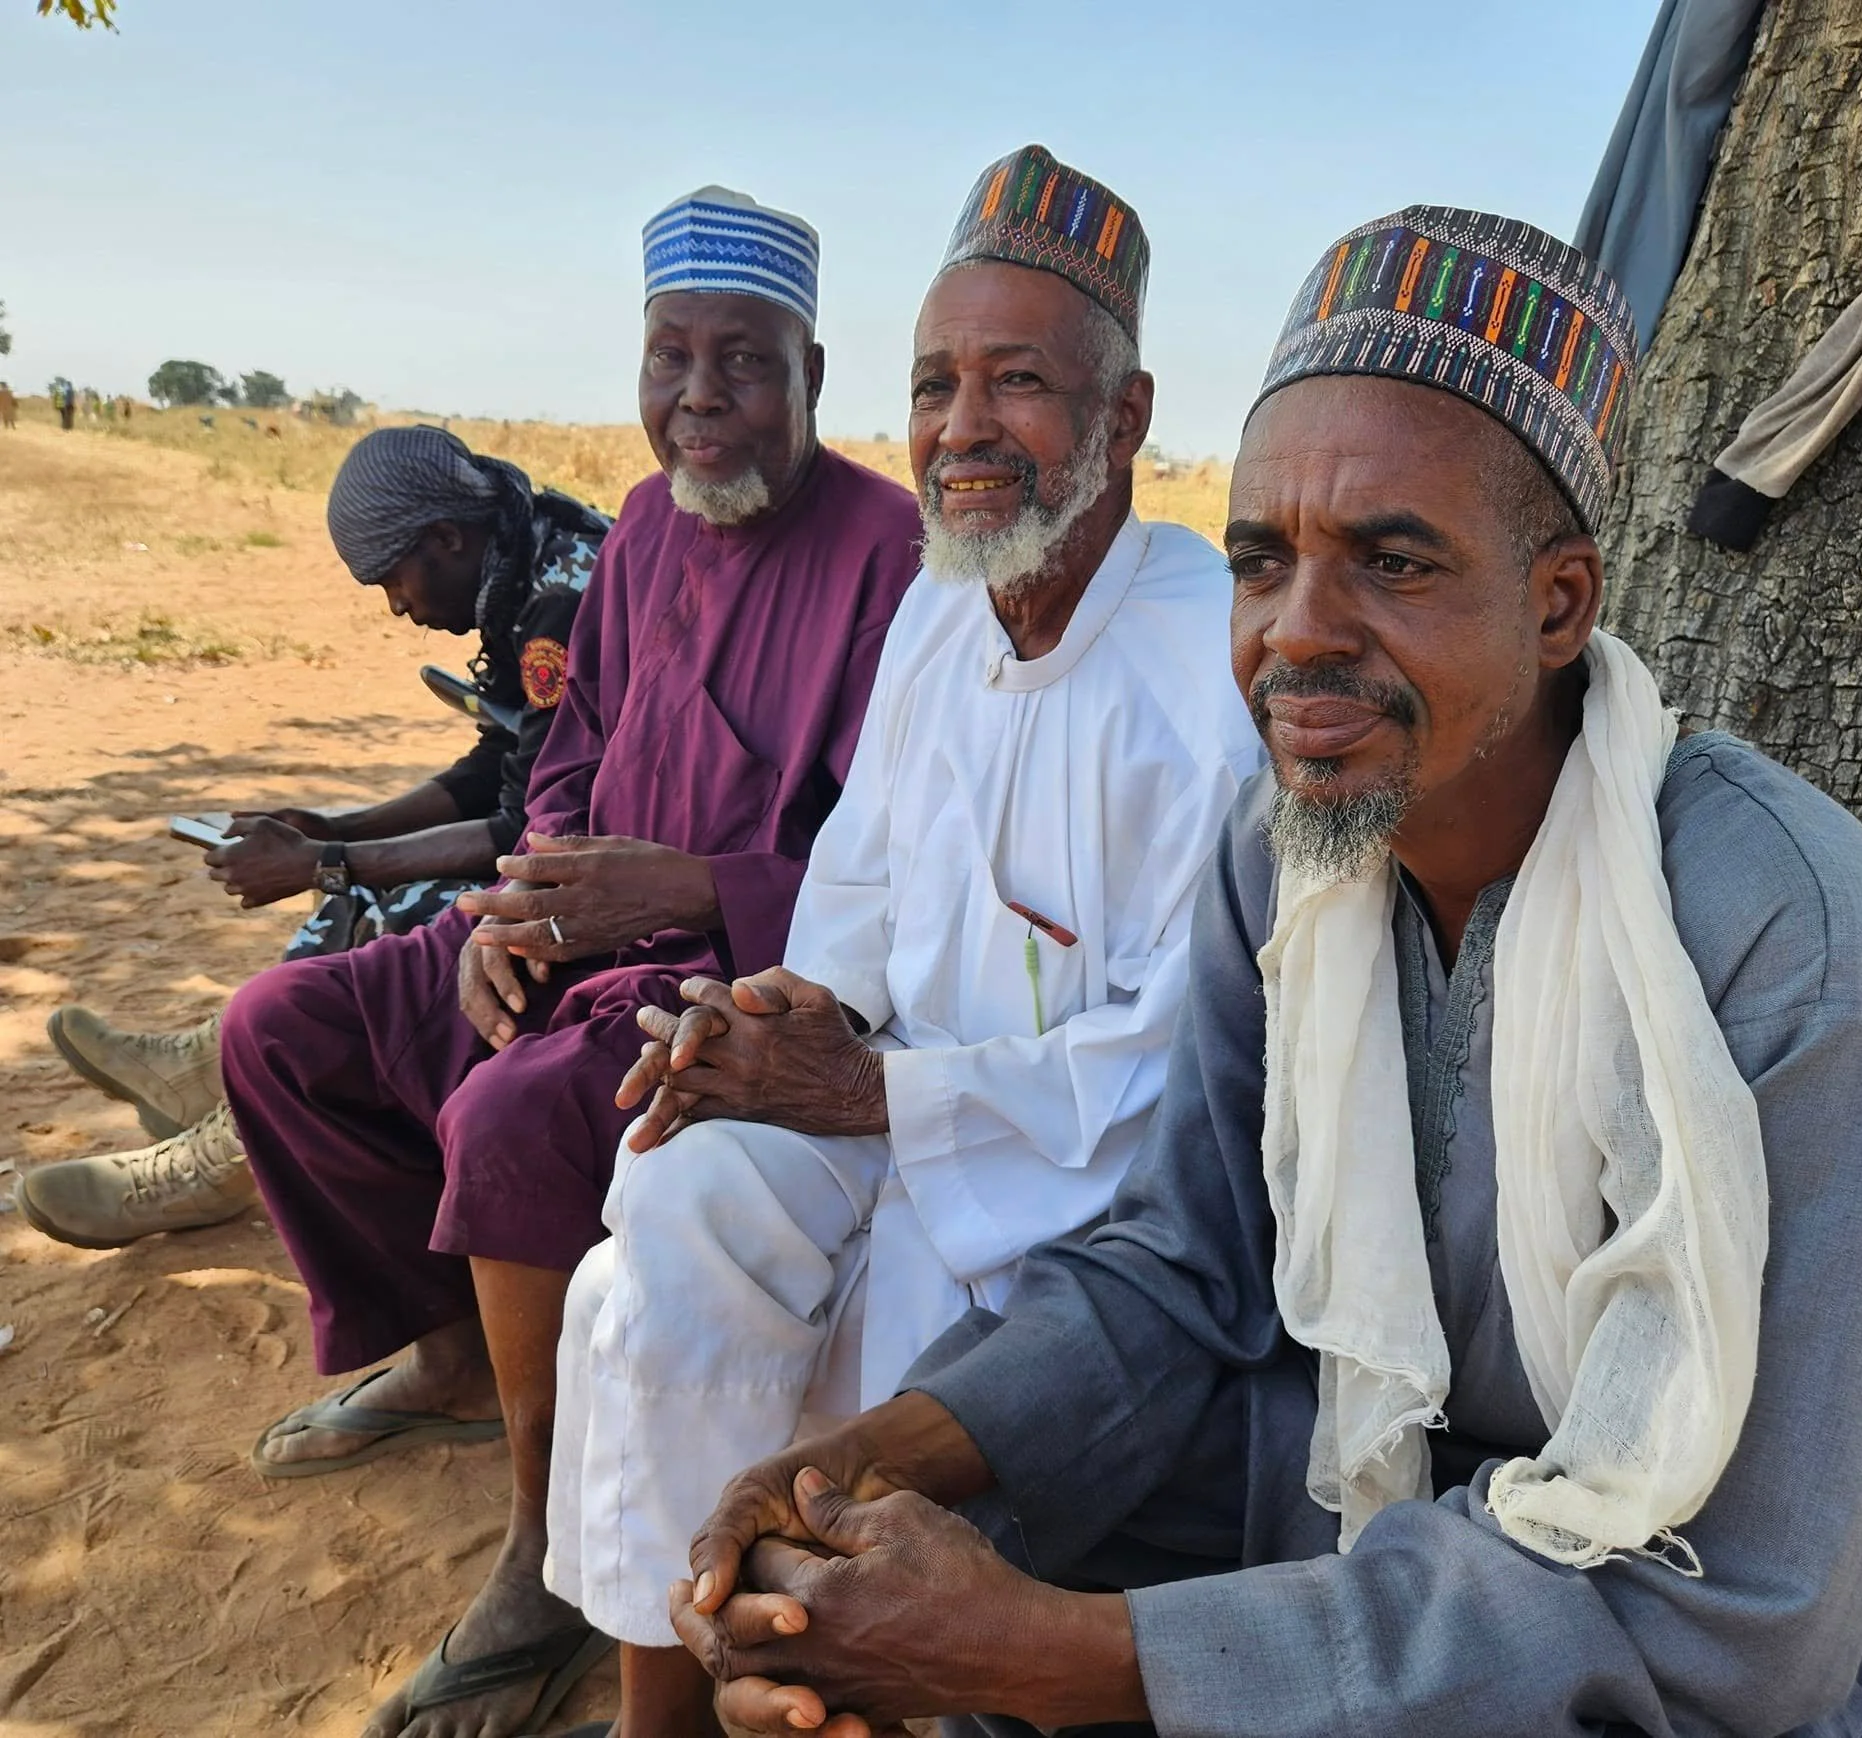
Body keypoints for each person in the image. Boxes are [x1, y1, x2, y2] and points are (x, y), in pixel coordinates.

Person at [669, 210, 1862, 1738]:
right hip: (1381, 1493)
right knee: (957, 1551)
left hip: (1829, 1652)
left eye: (1393, 561)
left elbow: (1747, 1609)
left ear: (1559, 605)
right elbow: (1182, 1269)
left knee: (1033, 1642)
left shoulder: (1781, 935)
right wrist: (860, 1470)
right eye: (1262, 561)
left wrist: (1052, 1655)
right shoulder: (1284, 851)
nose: (1295, 637)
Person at [542, 145, 1264, 1738]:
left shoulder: (1202, 682)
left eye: (1018, 384)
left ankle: (812, 1669)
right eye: (935, 383)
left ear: (1125, 420)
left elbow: (1175, 1075)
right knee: (674, 1193)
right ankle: (671, 1676)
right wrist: (762, 1023)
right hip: (894, 1103)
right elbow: (858, 890)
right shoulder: (942, 604)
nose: (959, 429)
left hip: (1071, 1195)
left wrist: (877, 1099)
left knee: (920, 1329)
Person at [232, 186, 921, 1738]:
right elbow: (571, 746)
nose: (699, 398)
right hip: (568, 935)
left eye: (742, 361)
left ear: (815, 369)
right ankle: (451, 1359)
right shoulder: (642, 525)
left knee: (511, 1121)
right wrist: (526, 899)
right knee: (283, 1027)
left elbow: (901, 866)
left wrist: (683, 889)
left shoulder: (893, 556)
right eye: (670, 356)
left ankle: (550, 1553)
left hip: (734, 971)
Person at [17, 427, 612, 1250]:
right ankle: (214, 1069)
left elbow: (527, 824)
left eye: (394, 580)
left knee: (393, 906)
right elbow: (500, 763)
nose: (397, 607)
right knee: (370, 883)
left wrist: (327, 864)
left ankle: (225, 1153)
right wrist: (334, 829)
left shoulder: (559, 598)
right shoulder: (522, 553)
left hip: (622, 867)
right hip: (575, 839)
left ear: (446, 537)